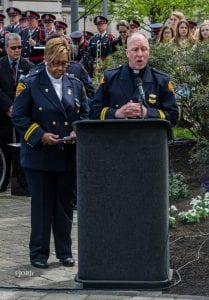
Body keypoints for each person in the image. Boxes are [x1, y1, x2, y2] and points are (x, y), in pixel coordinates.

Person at [12, 37, 89, 268]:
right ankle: (38, 254)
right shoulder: (30, 83)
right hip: (40, 157)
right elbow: (19, 116)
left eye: (64, 63)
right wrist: (41, 135)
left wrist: (77, 129)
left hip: (66, 155)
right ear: (46, 59)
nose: (59, 68)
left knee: (64, 207)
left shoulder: (75, 83)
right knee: (42, 207)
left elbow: (85, 112)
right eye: (56, 63)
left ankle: (64, 252)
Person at [90, 32, 178, 127]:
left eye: (144, 49)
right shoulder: (110, 78)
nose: (140, 54)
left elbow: (173, 116)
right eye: (135, 50)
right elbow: (93, 111)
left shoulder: (161, 80)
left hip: (150, 138)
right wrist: (117, 113)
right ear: (127, 53)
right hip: (116, 137)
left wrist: (147, 113)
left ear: (149, 52)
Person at [0, 33, 34, 192]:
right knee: (4, 146)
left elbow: (30, 89)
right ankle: (4, 179)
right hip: (3, 114)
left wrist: (18, 108)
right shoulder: (0, 65)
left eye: (19, 47)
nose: (17, 50)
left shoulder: (29, 66)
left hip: (22, 114)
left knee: (23, 146)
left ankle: (23, 183)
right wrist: (8, 107)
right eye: (13, 48)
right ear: (6, 48)